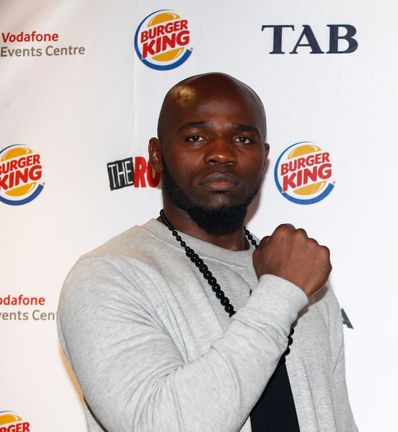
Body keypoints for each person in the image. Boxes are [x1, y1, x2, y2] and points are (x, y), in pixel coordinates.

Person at [58, 73, 356, 432]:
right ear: (157, 156)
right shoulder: (109, 276)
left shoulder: (305, 280)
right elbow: (160, 425)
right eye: (196, 137)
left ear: (263, 159)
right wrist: (280, 293)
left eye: (242, 138)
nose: (221, 153)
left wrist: (289, 286)